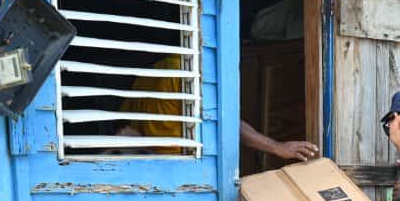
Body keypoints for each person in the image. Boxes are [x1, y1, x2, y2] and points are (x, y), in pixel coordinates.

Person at [121, 54, 319, 161]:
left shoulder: (150, 75)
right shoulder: (186, 76)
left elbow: (126, 127)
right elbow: (227, 123)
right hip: (181, 169)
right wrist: (277, 147)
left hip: (146, 167)